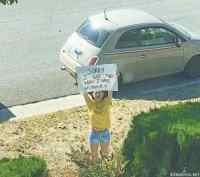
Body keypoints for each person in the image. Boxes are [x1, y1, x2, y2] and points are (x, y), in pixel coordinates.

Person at [83, 91, 112, 161]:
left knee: (105, 155)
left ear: (104, 93)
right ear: (92, 94)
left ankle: (105, 170)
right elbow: (84, 93)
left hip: (105, 133)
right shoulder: (91, 103)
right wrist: (80, 81)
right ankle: (96, 170)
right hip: (94, 134)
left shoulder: (107, 102)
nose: (98, 93)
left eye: (100, 92)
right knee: (94, 156)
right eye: (95, 92)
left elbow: (110, 88)